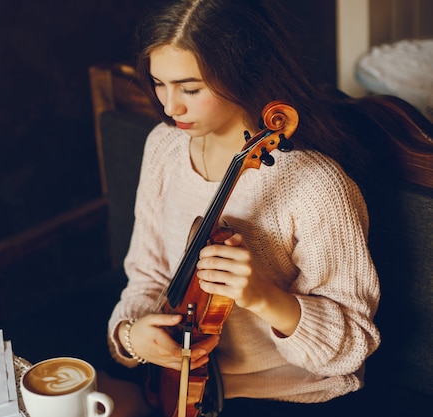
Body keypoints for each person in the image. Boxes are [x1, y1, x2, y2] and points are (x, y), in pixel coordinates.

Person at [99, 1, 381, 416]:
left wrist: (259, 296)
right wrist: (130, 337)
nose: (169, 106)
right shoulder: (164, 147)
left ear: (243, 73)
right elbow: (148, 275)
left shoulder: (316, 185)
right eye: (160, 83)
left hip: (289, 396)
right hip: (178, 387)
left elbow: (353, 341)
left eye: (190, 88)